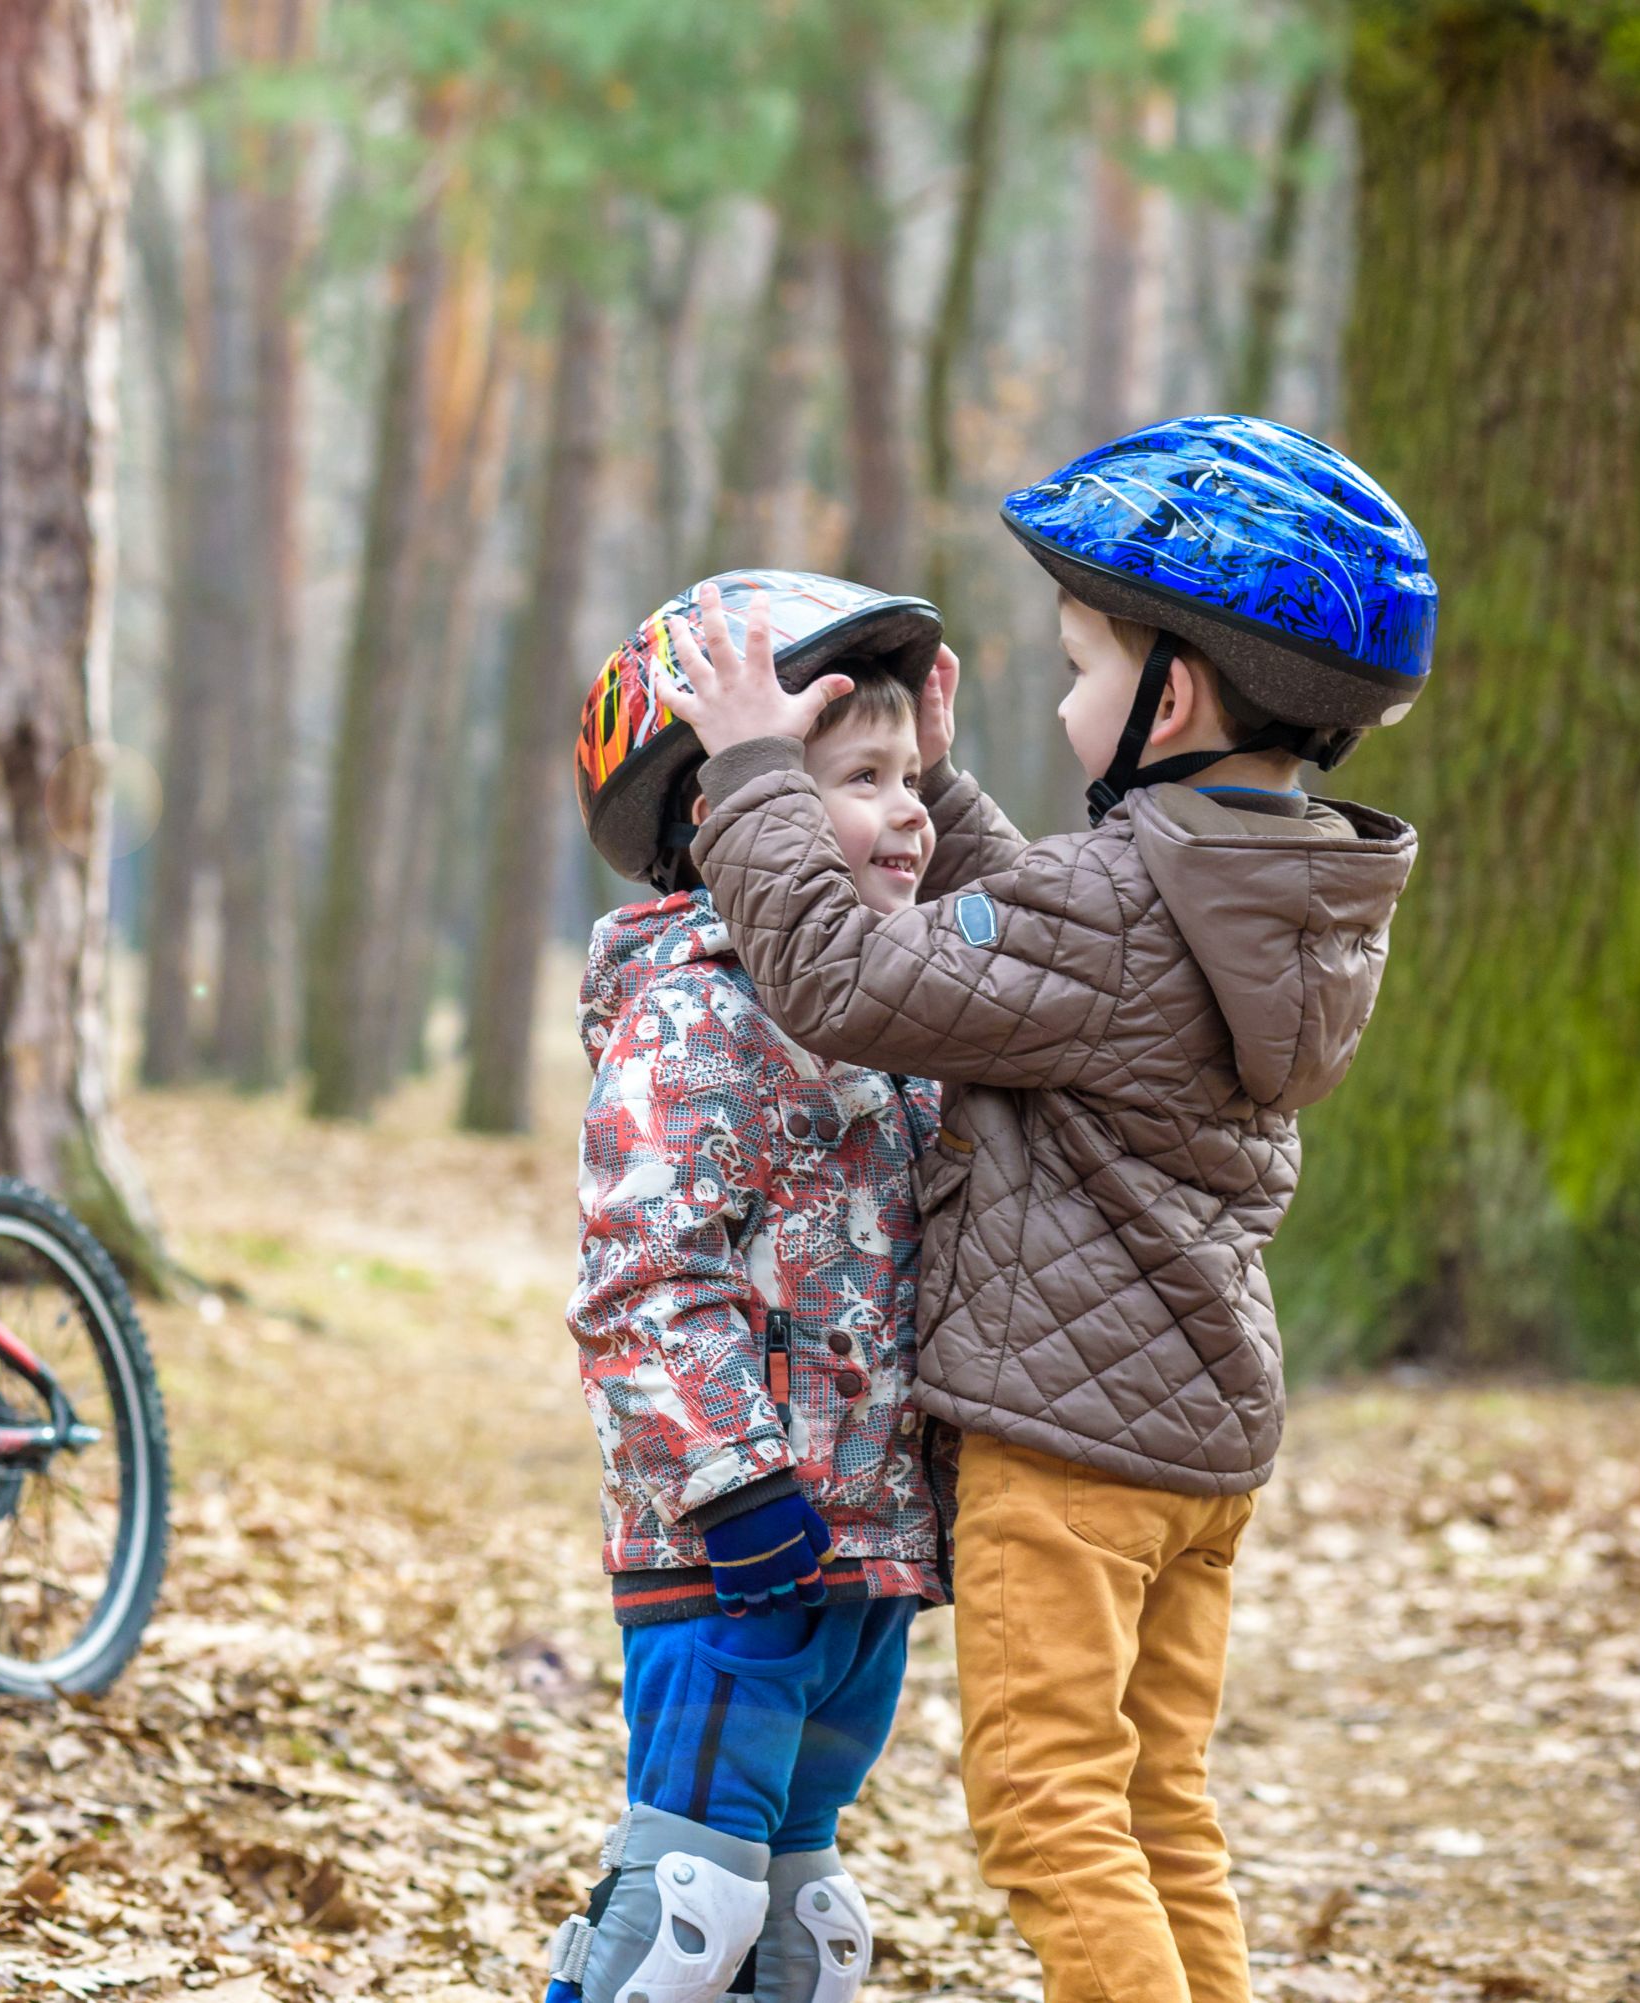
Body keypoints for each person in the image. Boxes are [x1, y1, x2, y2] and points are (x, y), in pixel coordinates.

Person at [654, 417, 1430, 2003]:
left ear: (1177, 695)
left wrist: (748, 774)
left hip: (1063, 1457)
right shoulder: (1277, 896)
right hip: (1197, 1450)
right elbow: (1054, 954)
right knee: (1160, 1810)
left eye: (1082, 667)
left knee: (1051, 1817)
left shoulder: (1112, 905)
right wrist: (931, 779)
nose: (1065, 701)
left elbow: (847, 976)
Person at [547, 570, 963, 2003]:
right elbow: (639, 1278)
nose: (909, 809)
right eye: (862, 778)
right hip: (736, 1547)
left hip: (862, 1555)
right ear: (718, 818)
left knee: (806, 1916)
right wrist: (730, 1480)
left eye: (912, 776)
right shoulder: (693, 1011)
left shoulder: (886, 1001)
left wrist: (931, 794)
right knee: (689, 1904)